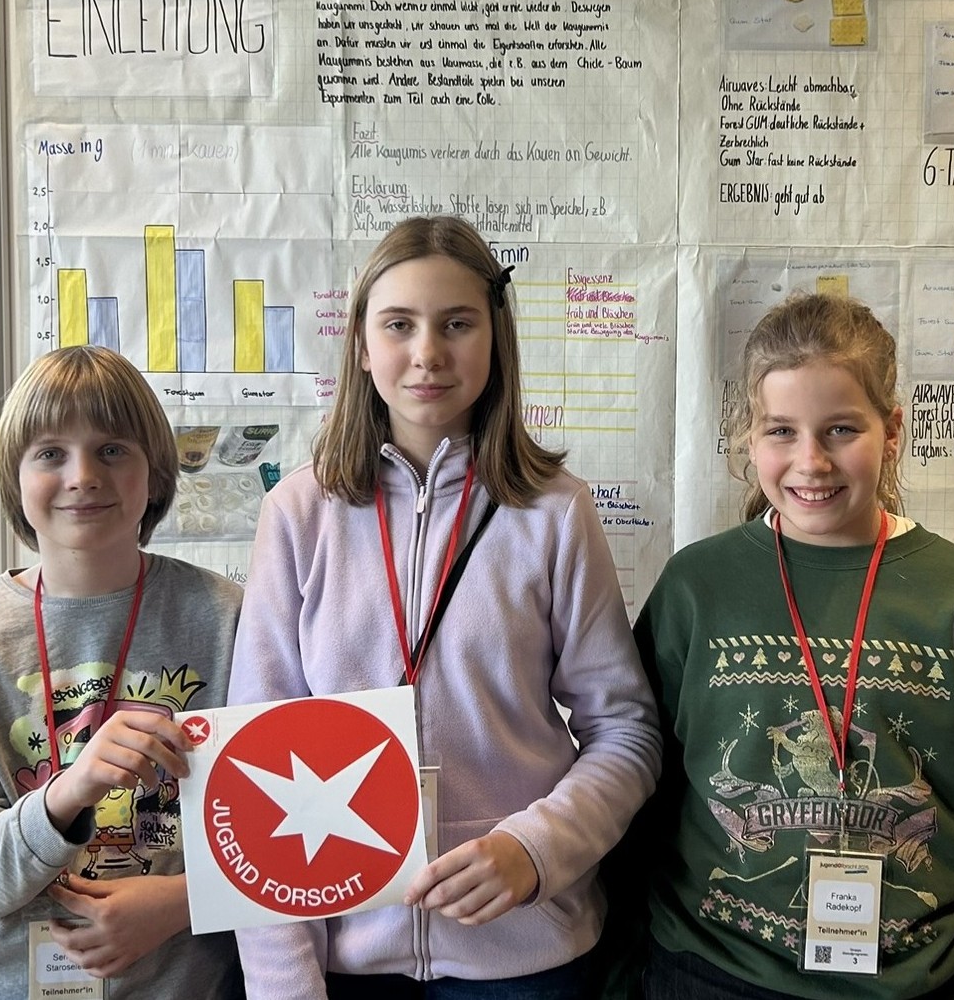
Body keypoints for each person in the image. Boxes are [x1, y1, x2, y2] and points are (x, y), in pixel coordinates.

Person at [230, 215, 661, 998]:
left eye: (456, 324)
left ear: (495, 341)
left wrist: (535, 850)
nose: (427, 352)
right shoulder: (298, 513)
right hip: (341, 955)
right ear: (362, 346)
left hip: (521, 957)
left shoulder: (554, 513)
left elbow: (625, 733)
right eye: (399, 324)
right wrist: (283, 980)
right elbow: (252, 760)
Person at [630, 293, 954, 1000]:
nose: (811, 461)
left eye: (840, 430)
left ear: (891, 432)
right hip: (712, 974)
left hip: (916, 983)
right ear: (749, 439)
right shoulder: (695, 589)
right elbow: (635, 791)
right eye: (781, 431)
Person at [0, 346, 243, 999]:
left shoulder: (228, 618)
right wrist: (71, 789)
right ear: (15, 479)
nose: (83, 476)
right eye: (50, 454)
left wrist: (185, 900)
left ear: (156, 475)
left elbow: (284, 834)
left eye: (112, 450)